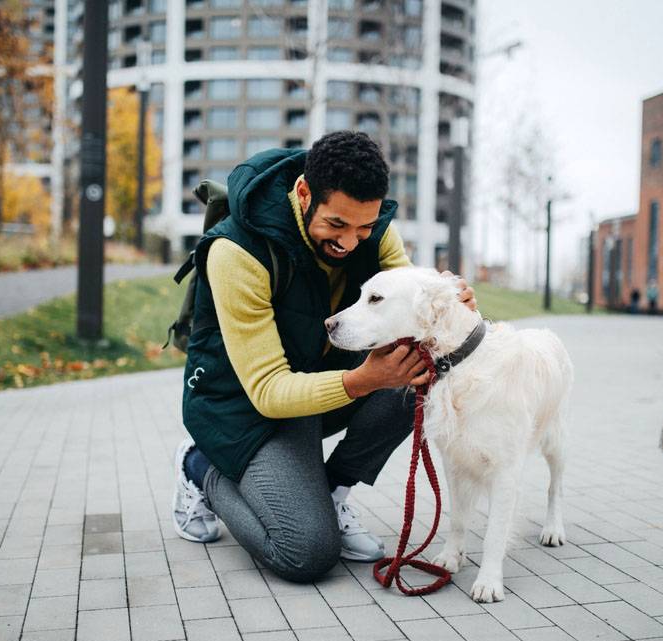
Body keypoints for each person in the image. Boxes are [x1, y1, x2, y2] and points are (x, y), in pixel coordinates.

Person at [172, 131, 477, 583]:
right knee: (307, 553)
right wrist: (363, 381)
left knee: (418, 371)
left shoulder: (373, 230)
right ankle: (199, 468)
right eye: (336, 225)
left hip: (319, 383)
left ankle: (330, 492)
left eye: (364, 228)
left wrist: (448, 301)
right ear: (302, 193)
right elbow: (269, 392)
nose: (351, 242)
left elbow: (412, 304)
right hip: (244, 409)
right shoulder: (236, 252)